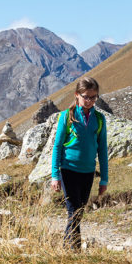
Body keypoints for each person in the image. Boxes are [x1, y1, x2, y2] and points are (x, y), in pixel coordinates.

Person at [50, 77, 109, 249]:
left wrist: (103, 179)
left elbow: (102, 150)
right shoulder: (66, 116)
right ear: (77, 95)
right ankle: (72, 249)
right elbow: (57, 146)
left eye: (94, 97)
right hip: (68, 170)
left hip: (88, 172)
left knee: (79, 211)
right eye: (86, 97)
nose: (90, 101)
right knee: (73, 211)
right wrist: (55, 175)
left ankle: (68, 247)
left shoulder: (99, 119)